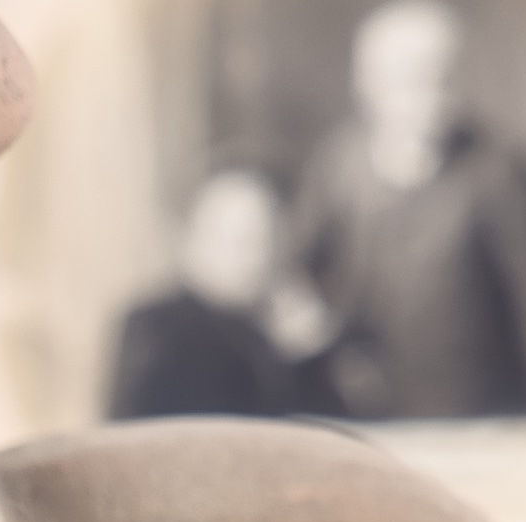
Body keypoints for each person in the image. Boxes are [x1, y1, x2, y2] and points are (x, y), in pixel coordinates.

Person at [285, 0, 526, 424]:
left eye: (443, 77)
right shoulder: (340, 166)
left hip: (486, 412)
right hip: (372, 410)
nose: (428, 95)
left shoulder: (500, 171)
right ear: (367, 84)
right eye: (407, 79)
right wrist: (319, 329)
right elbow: (298, 270)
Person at [104, 169, 346, 422]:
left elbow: (328, 429)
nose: (254, 258)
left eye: (264, 241)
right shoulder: (155, 327)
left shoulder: (273, 331)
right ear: (191, 239)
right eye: (238, 240)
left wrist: (310, 360)